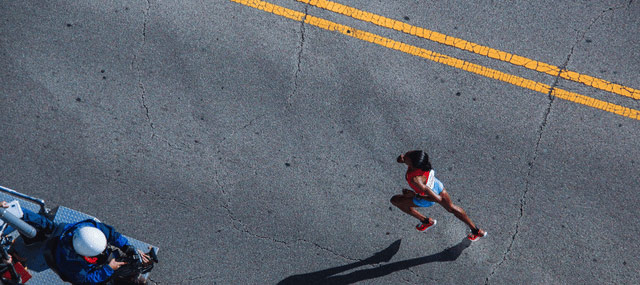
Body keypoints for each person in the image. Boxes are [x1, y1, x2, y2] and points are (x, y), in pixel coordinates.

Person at [0, 201, 152, 284]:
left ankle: (19, 215)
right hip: (54, 249)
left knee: (41, 223)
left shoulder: (88, 230)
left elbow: (111, 234)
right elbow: (86, 280)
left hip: (59, 232)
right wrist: (108, 269)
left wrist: (127, 247)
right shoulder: (70, 262)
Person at [390, 150, 487, 241]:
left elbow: (437, 199)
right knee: (451, 208)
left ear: (413, 165)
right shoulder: (422, 162)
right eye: (406, 154)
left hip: (428, 197)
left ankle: (426, 222)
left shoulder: (416, 180)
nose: (403, 156)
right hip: (437, 186)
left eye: (406, 157)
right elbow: (403, 159)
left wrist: (416, 195)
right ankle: (476, 231)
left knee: (395, 201)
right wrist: (403, 159)